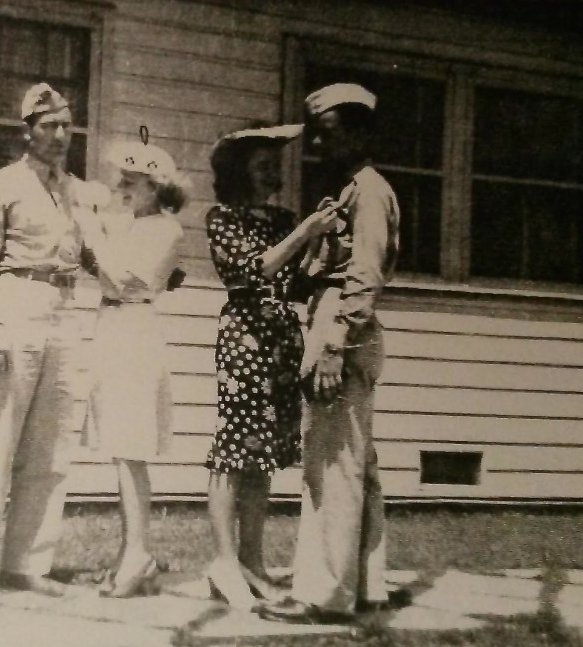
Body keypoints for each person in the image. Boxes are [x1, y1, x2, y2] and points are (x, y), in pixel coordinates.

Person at [0, 82, 106, 600]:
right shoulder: (0, 186)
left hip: (65, 309)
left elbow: (96, 257)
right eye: (48, 126)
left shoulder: (80, 192)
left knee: (51, 447)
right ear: (27, 131)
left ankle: (25, 565)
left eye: (66, 125)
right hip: (16, 305)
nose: (59, 135)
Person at [259, 83, 401, 624]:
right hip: (338, 317)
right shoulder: (348, 192)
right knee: (355, 463)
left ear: (362, 133)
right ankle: (363, 585)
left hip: (344, 325)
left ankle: (321, 594)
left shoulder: (367, 191)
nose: (320, 143)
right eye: (317, 133)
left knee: (331, 464)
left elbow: (363, 275)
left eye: (331, 132)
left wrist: (335, 345)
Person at [204, 123, 340, 611]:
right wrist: (305, 232)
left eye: (273, 166)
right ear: (239, 172)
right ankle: (222, 561)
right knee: (232, 450)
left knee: (262, 453)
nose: (271, 174)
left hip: (282, 340)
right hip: (244, 339)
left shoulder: (282, 218)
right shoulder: (222, 218)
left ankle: (251, 562)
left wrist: (320, 247)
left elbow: (296, 283)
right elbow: (249, 271)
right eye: (262, 166)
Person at [81, 137, 186, 598]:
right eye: (120, 178)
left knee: (130, 448)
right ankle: (132, 556)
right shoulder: (126, 224)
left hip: (135, 331)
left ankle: (138, 555)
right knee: (120, 448)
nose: (120, 186)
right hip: (111, 327)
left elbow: (124, 279)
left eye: (131, 180)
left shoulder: (166, 230)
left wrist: (93, 232)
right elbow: (101, 269)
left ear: (154, 188)